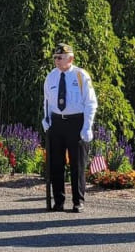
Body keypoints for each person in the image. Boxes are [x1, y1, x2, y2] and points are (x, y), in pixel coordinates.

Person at [41, 43, 98, 213]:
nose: (57, 61)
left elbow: (90, 103)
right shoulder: (51, 76)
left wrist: (87, 126)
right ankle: (58, 201)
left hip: (76, 122)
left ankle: (78, 201)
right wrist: (46, 119)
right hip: (57, 122)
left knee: (77, 164)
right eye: (55, 58)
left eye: (60, 58)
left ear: (70, 58)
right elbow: (47, 101)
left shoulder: (81, 75)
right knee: (55, 164)